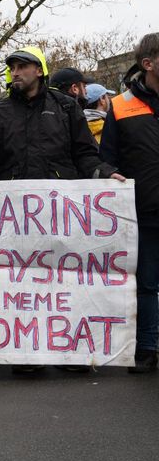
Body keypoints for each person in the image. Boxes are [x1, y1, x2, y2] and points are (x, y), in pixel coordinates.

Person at [0, 47, 124, 373]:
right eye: (12, 68)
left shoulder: (66, 107)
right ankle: (28, 354)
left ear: (39, 71)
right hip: (16, 214)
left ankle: (70, 351)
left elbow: (85, 154)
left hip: (61, 212)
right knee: (23, 287)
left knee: (65, 283)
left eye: (22, 66)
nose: (15, 72)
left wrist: (103, 172)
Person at [99, 32, 159, 373]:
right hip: (146, 210)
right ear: (148, 64)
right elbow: (106, 158)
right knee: (147, 284)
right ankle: (147, 349)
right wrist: (108, 174)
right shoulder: (119, 106)